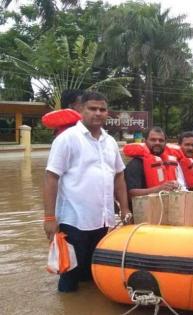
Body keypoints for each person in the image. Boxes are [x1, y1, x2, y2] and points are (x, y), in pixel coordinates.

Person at [43, 91, 130, 292]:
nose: (98, 113)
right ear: (81, 110)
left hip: (103, 221)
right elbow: (51, 177)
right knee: (69, 277)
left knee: (93, 272)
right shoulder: (67, 139)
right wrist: (49, 218)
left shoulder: (110, 142)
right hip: (74, 221)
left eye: (102, 109)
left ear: (108, 113)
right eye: (92, 108)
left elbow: (119, 176)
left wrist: (125, 209)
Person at [124, 127, 186, 199]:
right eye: (153, 140)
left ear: (165, 142)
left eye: (161, 140)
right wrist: (159, 189)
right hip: (145, 208)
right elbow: (131, 193)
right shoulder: (135, 164)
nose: (157, 143)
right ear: (145, 141)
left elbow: (181, 185)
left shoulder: (172, 162)